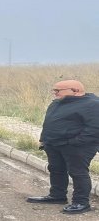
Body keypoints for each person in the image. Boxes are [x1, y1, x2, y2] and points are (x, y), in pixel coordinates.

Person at [27, 80, 99, 214]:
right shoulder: (57, 103)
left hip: (78, 147)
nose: (54, 93)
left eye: (58, 90)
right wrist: (44, 139)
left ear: (75, 91)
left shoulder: (93, 104)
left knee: (78, 172)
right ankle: (57, 196)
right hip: (54, 144)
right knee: (56, 169)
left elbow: (95, 128)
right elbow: (49, 121)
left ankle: (81, 202)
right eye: (54, 90)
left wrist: (75, 142)